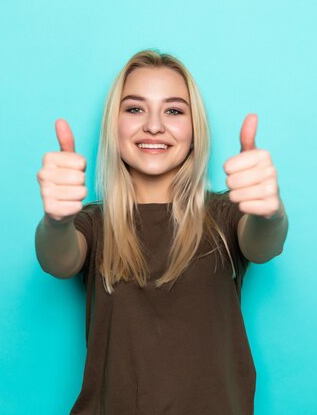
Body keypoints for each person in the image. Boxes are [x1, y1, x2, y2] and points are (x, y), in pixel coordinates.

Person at [35, 49, 289, 415]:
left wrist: (271, 212)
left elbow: (265, 243)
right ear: (115, 124)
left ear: (194, 129)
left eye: (173, 110)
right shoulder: (93, 224)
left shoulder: (224, 216)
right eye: (135, 108)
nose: (154, 126)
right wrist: (56, 222)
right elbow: (57, 259)